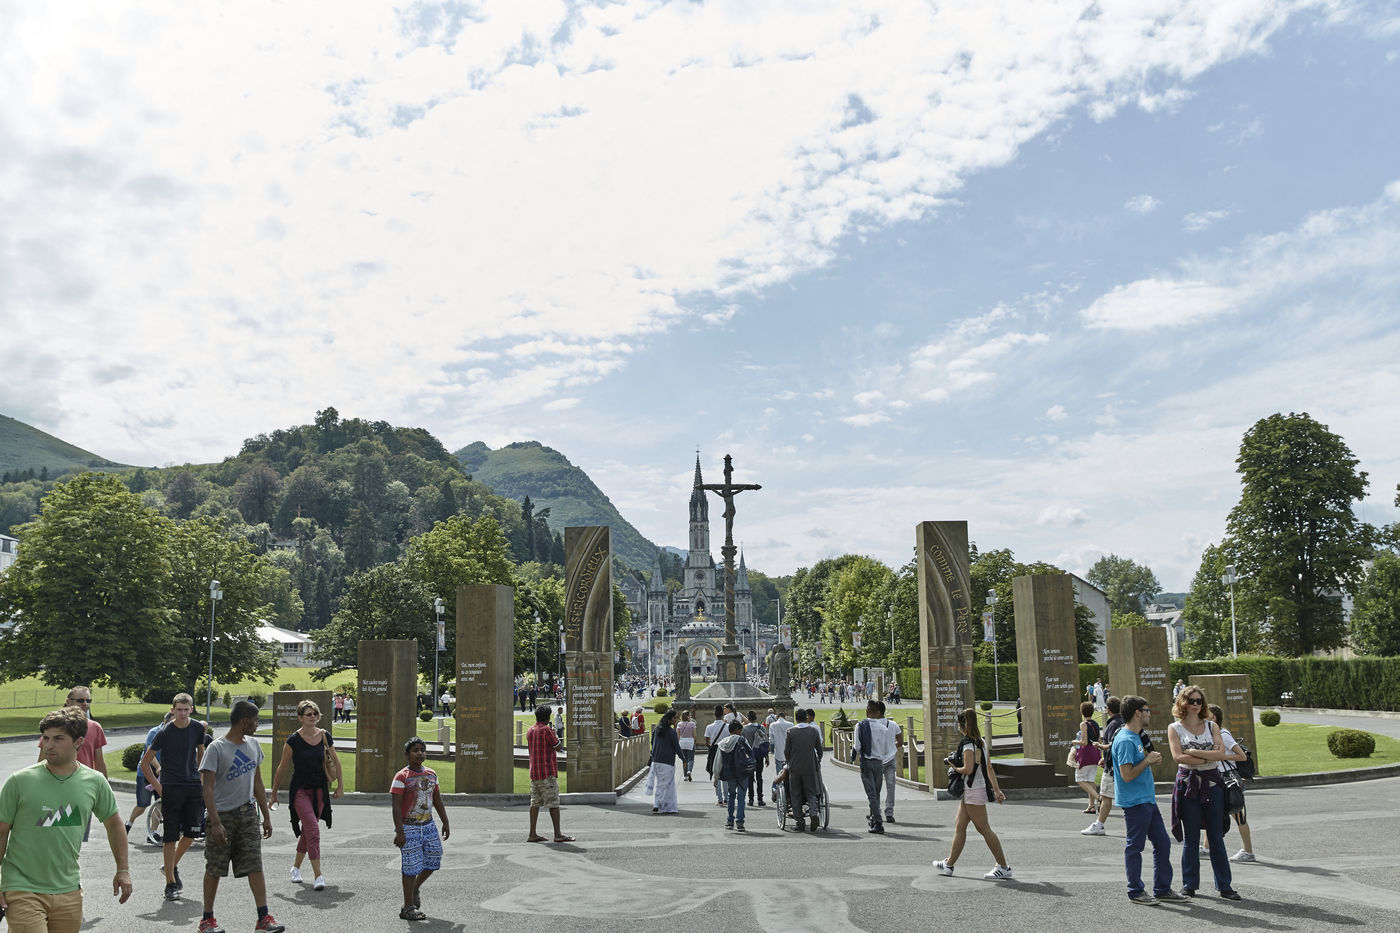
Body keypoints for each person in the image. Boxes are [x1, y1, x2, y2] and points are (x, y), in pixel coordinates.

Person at [0, 707, 132, 931]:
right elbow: (1, 832)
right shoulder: (19, 781)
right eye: (46, 738)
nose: (49, 745)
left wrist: (123, 869)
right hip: (21, 887)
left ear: (78, 742)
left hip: (68, 889)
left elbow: (115, 825)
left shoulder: (95, 781)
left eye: (58, 739)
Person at [197, 700, 282, 933]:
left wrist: (266, 816)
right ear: (244, 721)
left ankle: (263, 918)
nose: (257, 724)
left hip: (247, 815)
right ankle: (207, 920)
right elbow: (207, 788)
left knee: (255, 864)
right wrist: (215, 822)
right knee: (215, 868)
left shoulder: (253, 745)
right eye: (255, 721)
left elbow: (257, 783)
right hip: (222, 817)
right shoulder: (216, 748)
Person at [1112, 695, 1188, 905]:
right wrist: (1147, 760)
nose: (1149, 714)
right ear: (1137, 713)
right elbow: (1126, 775)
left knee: (1162, 843)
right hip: (1135, 802)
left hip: (1147, 800)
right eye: (1147, 710)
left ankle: (1162, 889)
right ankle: (1135, 891)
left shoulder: (1135, 736)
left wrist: (1148, 760)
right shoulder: (1126, 740)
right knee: (1135, 847)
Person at [1168, 685, 1239, 901]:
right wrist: (1208, 756)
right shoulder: (1175, 728)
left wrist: (1193, 752)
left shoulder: (1211, 726)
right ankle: (1189, 885)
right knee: (1191, 838)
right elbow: (1178, 757)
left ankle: (1225, 885)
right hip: (1189, 786)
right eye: (1191, 701)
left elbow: (1221, 753)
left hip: (1213, 785)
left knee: (1216, 837)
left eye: (1199, 701)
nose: (1196, 705)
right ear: (1182, 703)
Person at [141, 693, 213, 902]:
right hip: (171, 787)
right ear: (172, 710)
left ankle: (169, 866)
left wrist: (201, 778)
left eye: (186, 709)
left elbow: (201, 753)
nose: (182, 713)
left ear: (192, 709)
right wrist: (159, 787)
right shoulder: (164, 732)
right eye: (178, 710)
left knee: (192, 832)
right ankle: (170, 883)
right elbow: (145, 763)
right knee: (170, 836)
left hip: (193, 786)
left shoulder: (198, 728)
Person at [269, 700, 342, 891]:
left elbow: (336, 761)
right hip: (300, 789)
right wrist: (274, 793)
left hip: (320, 790)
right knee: (313, 830)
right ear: (300, 718)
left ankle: (295, 868)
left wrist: (340, 786)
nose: (312, 717)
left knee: (309, 829)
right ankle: (318, 875)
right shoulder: (293, 740)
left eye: (315, 713)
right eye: (308, 714)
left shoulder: (324, 735)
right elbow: (282, 767)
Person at [932, 709, 1012, 879]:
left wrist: (954, 767)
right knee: (960, 825)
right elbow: (989, 768)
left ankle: (1003, 867)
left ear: (961, 726)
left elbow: (967, 769)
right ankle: (949, 864)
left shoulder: (968, 745)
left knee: (984, 829)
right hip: (976, 789)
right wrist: (997, 790)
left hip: (972, 790)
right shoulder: (981, 742)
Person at [38, 687, 108, 842]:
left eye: (88, 700)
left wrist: (104, 790)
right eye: (81, 700)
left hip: (82, 789)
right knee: (51, 835)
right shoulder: (54, 729)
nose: (85, 704)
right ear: (68, 702)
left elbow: (99, 762)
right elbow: (42, 760)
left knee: (76, 838)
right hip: (55, 788)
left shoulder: (95, 728)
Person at [392, 737, 450, 922]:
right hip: (409, 827)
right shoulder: (401, 776)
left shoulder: (431, 774)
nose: (420, 753)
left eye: (422, 750)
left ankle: (415, 888)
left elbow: (437, 799)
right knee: (410, 866)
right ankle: (408, 907)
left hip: (428, 825)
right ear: (407, 754)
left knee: (434, 858)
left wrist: (445, 821)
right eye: (415, 750)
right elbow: (396, 806)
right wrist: (400, 832)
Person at [1207, 704, 1256, 863]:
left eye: (1206, 715)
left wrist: (1221, 756)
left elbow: (1242, 756)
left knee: (1239, 815)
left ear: (1214, 718)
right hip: (1218, 777)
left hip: (1229, 778)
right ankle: (1206, 847)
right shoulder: (1211, 734)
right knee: (1212, 812)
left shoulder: (1223, 734)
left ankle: (1248, 852)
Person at [525, 706, 574, 844]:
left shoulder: (530, 730)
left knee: (535, 803)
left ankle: (532, 833)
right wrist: (554, 733)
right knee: (553, 803)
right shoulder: (546, 730)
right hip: (547, 772)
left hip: (535, 773)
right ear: (547, 717)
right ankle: (558, 834)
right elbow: (558, 747)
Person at [852, 700, 898, 834]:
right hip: (879, 762)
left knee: (871, 793)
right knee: (876, 792)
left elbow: (857, 747)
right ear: (877, 712)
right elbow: (885, 749)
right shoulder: (883, 728)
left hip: (867, 761)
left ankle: (878, 822)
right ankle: (874, 816)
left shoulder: (860, 726)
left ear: (867, 712)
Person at [129, 711, 174, 845]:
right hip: (146, 772)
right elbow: (150, 753)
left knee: (161, 803)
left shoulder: (175, 734)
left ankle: (152, 833)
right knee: (142, 805)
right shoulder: (154, 732)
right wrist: (159, 767)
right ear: (165, 722)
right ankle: (128, 824)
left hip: (163, 774)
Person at [1082, 696, 1123, 836]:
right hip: (1119, 765)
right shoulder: (1123, 722)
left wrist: (1100, 748)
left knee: (1105, 796)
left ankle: (1099, 825)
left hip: (1111, 768)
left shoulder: (1112, 725)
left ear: (1108, 709)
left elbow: (1112, 745)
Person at [784, 708, 823, 833]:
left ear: (796, 718)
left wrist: (789, 761)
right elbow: (819, 749)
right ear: (806, 718)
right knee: (811, 792)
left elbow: (787, 751)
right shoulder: (813, 731)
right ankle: (813, 813)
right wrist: (818, 760)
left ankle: (800, 822)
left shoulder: (790, 732)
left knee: (795, 794)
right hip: (809, 766)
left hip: (795, 767)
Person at [715, 721, 753, 832]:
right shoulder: (742, 740)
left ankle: (730, 821)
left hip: (729, 773)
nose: (741, 732)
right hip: (742, 773)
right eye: (740, 730)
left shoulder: (723, 742)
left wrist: (716, 776)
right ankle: (740, 822)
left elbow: (718, 761)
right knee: (741, 797)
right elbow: (750, 755)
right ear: (737, 729)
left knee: (731, 796)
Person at [649, 709, 682, 815]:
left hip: (657, 760)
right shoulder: (671, 732)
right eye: (674, 718)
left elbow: (652, 742)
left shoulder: (657, 730)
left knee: (660, 783)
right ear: (669, 719)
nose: (676, 720)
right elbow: (676, 747)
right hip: (668, 761)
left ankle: (657, 803)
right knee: (669, 785)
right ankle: (668, 806)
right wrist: (683, 759)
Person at [1073, 701, 1103, 814]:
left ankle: (1098, 797)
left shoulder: (1083, 724)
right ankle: (1091, 806)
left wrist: (1075, 742)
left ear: (1081, 712)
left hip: (1086, 754)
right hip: (1095, 753)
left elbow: (1084, 742)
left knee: (1079, 779)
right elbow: (1099, 740)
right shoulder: (1095, 724)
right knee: (1090, 780)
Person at [741, 711, 770, 807]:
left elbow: (742, 744)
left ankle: (751, 799)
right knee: (759, 777)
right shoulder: (761, 727)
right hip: (759, 755)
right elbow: (764, 743)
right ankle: (760, 799)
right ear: (756, 717)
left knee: (750, 778)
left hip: (749, 756)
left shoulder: (744, 729)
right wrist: (766, 757)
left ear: (748, 718)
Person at [882, 704, 904, 824]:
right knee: (890, 786)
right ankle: (889, 812)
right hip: (890, 759)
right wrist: (892, 747)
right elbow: (900, 741)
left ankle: (874, 811)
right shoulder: (893, 724)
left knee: (875, 787)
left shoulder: (872, 725)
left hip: (877, 759)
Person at [703, 705, 727, 807]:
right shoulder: (727, 726)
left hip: (714, 750)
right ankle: (726, 798)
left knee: (715, 774)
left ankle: (719, 799)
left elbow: (707, 742)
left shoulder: (709, 727)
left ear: (715, 714)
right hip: (724, 750)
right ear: (723, 714)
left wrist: (711, 747)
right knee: (725, 775)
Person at [767, 709, 792, 778]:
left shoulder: (773, 725)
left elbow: (771, 740)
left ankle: (780, 783)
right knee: (789, 773)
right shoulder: (790, 724)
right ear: (784, 717)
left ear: (777, 717)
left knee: (779, 773)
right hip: (789, 752)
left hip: (778, 751)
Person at [675, 711, 697, 781]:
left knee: (684, 760)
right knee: (691, 759)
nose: (690, 717)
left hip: (682, 742)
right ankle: (689, 771)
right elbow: (694, 735)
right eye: (690, 715)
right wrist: (694, 740)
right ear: (687, 717)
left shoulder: (679, 724)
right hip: (690, 742)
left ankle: (685, 776)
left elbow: (678, 735)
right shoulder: (692, 724)